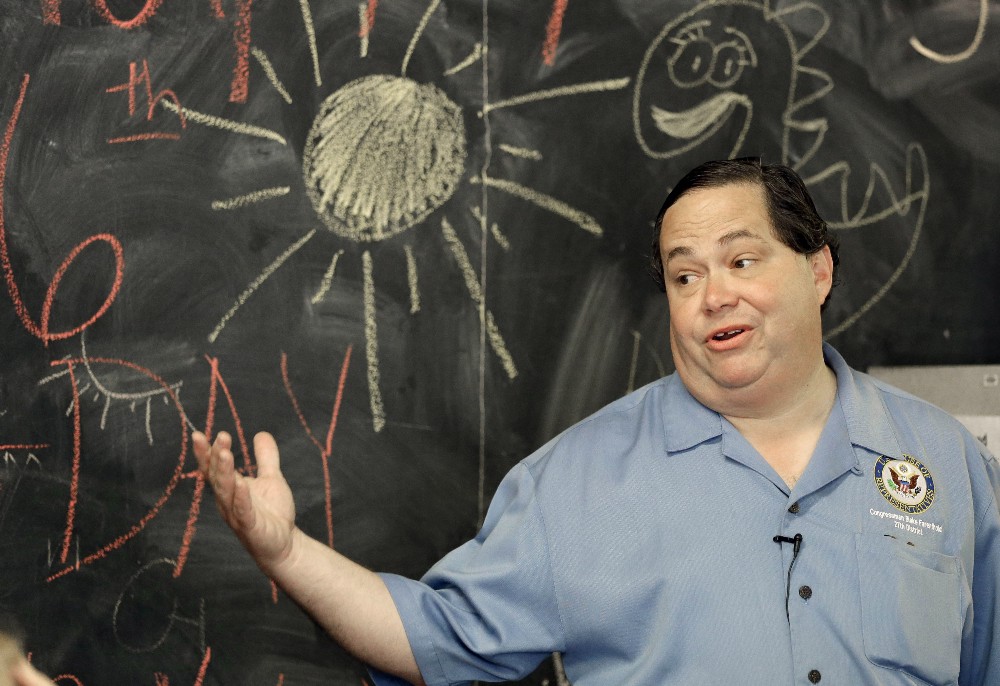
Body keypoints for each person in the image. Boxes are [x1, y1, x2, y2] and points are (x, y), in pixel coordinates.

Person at [194, 158, 1000, 685]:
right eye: (685, 276)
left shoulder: (945, 462)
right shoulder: (575, 483)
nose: (714, 294)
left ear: (817, 270)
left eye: (741, 261)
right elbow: (434, 638)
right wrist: (284, 551)